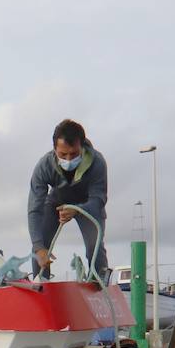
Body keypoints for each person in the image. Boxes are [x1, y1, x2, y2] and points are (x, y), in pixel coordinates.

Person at [27, 119, 109, 280]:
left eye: (74, 154)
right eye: (63, 154)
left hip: (89, 205)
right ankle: (41, 285)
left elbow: (99, 199)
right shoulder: (44, 166)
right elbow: (35, 208)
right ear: (54, 149)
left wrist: (77, 209)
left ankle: (100, 283)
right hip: (57, 201)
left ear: (82, 147)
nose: (69, 159)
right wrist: (38, 247)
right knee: (39, 245)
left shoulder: (98, 162)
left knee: (94, 247)